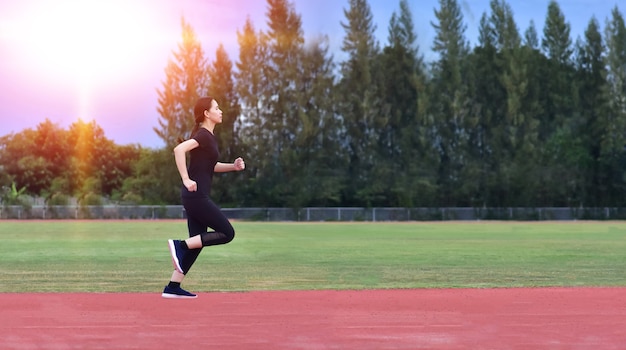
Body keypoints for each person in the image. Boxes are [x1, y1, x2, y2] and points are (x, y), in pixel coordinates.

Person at [162, 96, 245, 299]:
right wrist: (186, 178)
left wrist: (232, 167)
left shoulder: (207, 136)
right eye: (217, 107)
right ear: (207, 113)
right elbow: (178, 149)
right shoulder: (204, 135)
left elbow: (210, 167)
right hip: (196, 196)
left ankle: (173, 286)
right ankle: (180, 245)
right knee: (227, 233)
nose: (221, 110)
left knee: (197, 243)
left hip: (194, 197)